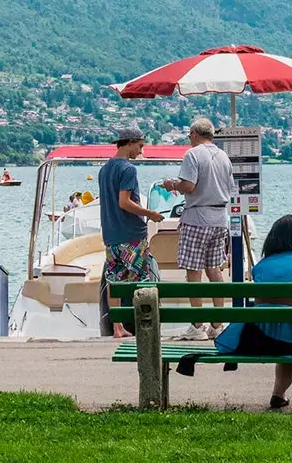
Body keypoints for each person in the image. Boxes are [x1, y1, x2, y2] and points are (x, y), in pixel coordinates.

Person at [219, 214, 292, 409]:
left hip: (260, 337)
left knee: (289, 336)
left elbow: (260, 304)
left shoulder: (260, 267)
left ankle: (281, 394)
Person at [162, 117, 235, 341]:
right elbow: (230, 187)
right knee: (215, 271)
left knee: (193, 272)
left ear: (194, 134)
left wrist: (172, 184)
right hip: (220, 219)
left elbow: (189, 185)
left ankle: (197, 325)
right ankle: (217, 324)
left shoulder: (192, 155)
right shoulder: (224, 156)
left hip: (197, 218)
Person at [96, 128, 164, 340]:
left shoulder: (104, 169)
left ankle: (117, 327)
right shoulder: (128, 169)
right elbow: (124, 202)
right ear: (129, 143)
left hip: (111, 234)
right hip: (131, 236)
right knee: (139, 282)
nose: (141, 151)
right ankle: (142, 327)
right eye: (140, 146)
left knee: (113, 281)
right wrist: (150, 213)